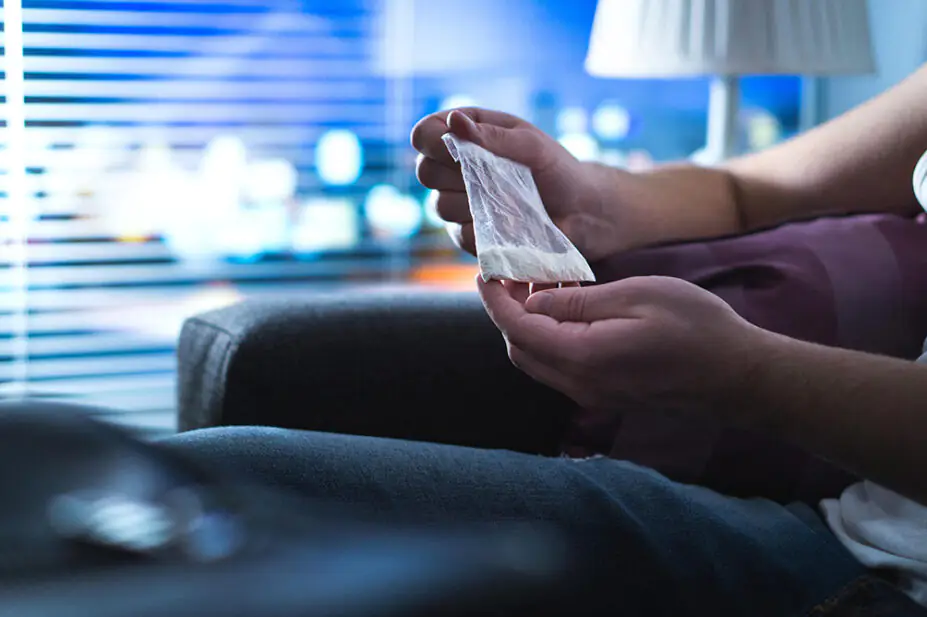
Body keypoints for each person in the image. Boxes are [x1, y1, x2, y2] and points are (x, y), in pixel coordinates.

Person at [164, 65, 927, 616]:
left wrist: (745, 376)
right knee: (201, 487)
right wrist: (591, 200)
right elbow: (751, 191)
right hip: (841, 539)